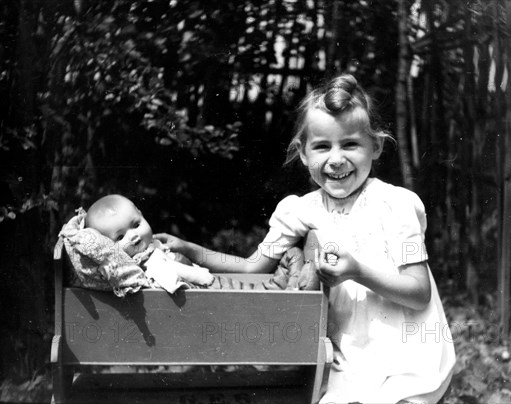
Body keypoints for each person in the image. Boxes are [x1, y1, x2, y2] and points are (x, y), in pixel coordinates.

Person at [157, 74, 455, 403]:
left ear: (376, 146)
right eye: (322, 146)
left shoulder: (396, 205)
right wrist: (190, 249)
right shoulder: (300, 210)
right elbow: (251, 267)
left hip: (408, 356)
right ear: (303, 153)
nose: (336, 158)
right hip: (351, 360)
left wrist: (357, 271)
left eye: (351, 144)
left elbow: (419, 292)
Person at [64, 194, 313, 295]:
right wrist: (195, 264)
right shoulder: (138, 267)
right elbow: (173, 273)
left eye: (136, 224)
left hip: (214, 287)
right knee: (252, 292)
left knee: (287, 259)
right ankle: (289, 292)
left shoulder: (154, 251)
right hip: (209, 293)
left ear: (141, 213)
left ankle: (286, 287)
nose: (134, 236)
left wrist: (184, 247)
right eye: (119, 238)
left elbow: (251, 268)